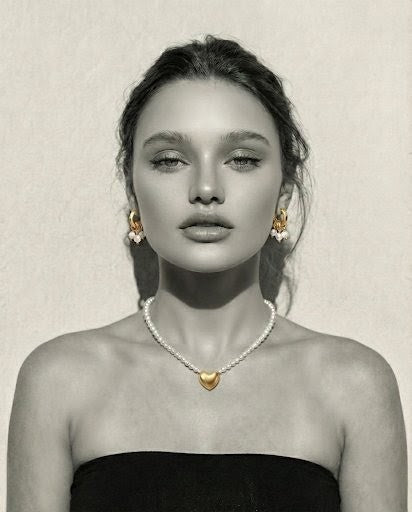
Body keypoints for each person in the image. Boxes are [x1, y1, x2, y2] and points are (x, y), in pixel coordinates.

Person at [7, 35, 407, 512]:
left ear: (283, 193)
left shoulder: (354, 386)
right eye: (169, 160)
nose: (205, 188)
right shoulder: (59, 381)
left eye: (242, 159)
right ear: (133, 192)